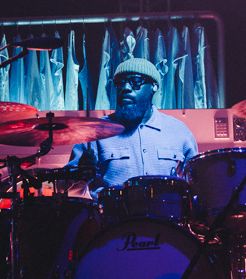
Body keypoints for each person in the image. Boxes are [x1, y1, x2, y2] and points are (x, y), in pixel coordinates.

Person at [65, 57, 198, 197]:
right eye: (120, 83)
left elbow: (197, 186)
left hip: (167, 217)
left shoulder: (178, 131)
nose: (126, 88)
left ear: (154, 87)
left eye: (136, 81)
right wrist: (81, 175)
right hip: (113, 217)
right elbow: (69, 193)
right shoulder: (94, 132)